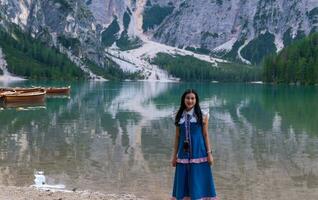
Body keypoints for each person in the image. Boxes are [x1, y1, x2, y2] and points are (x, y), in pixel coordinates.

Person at [171, 89, 218, 200]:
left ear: (196, 100)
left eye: (192, 98)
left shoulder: (202, 115)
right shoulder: (178, 115)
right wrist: (174, 157)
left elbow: (205, 135)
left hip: (199, 152)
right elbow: (177, 137)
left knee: (198, 180)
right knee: (183, 179)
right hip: (183, 154)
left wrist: (209, 154)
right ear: (183, 99)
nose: (190, 100)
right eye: (188, 98)